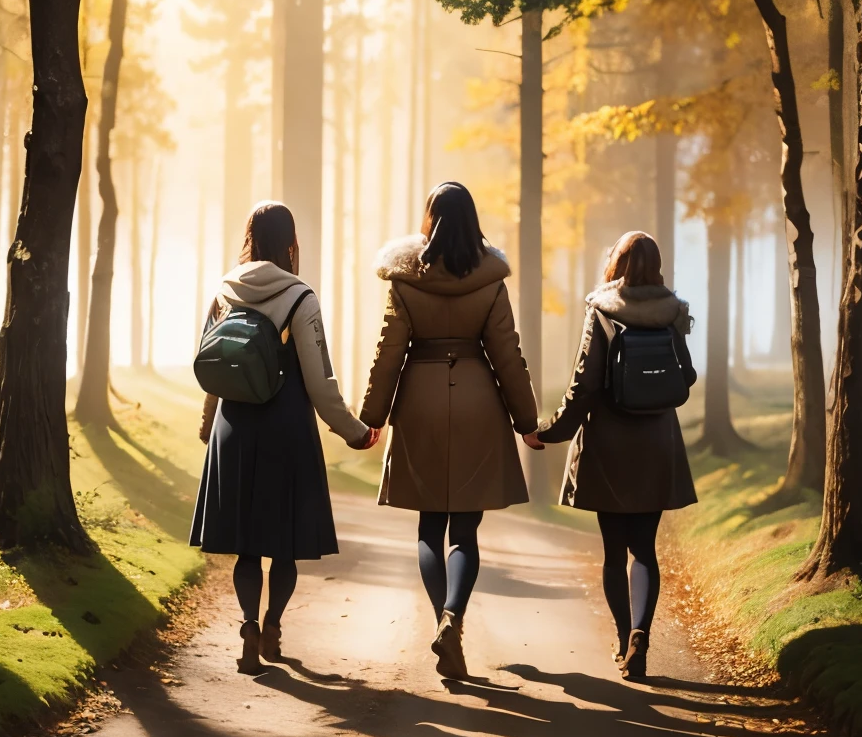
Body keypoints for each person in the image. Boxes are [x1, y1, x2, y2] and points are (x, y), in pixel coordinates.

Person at [360, 181, 540, 680]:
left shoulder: (405, 278)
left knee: (428, 529)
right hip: (479, 403)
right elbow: (508, 353)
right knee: (465, 532)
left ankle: (442, 621)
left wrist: (372, 417)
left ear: (430, 217)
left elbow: (388, 352)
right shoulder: (490, 280)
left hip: (419, 401)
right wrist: (526, 422)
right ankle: (454, 619)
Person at [190, 200, 379, 673]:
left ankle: (249, 628)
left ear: (249, 237)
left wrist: (208, 422)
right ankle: (274, 625)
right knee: (284, 544)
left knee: (247, 546)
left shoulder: (224, 290)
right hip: (286, 428)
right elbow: (319, 383)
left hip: (234, 427)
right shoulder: (300, 297)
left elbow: (211, 361)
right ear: (291, 241)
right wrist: (354, 432)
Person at [525, 230, 697, 683]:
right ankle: (642, 633)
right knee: (645, 550)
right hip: (657, 443)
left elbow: (584, 383)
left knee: (613, 552)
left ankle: (624, 641)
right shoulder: (673, 311)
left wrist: (550, 432)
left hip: (608, 445)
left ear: (614, 265)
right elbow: (689, 375)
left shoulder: (601, 310)